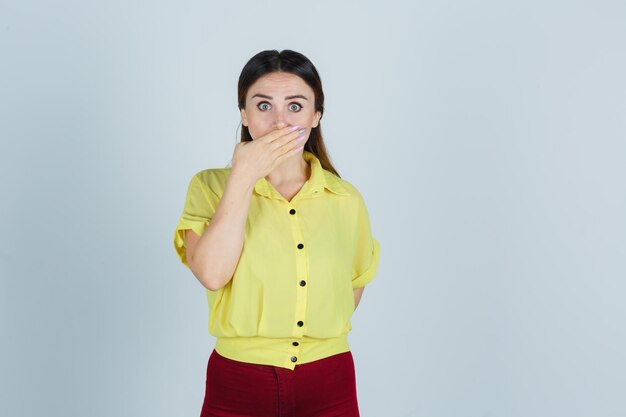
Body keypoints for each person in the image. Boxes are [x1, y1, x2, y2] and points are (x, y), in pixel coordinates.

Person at [173, 49, 381, 417]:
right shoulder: (209, 186)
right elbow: (211, 273)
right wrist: (242, 177)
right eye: (264, 105)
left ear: (316, 116)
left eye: (296, 106)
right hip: (238, 379)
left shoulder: (345, 198)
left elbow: (353, 286)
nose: (280, 122)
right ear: (244, 114)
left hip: (329, 378)